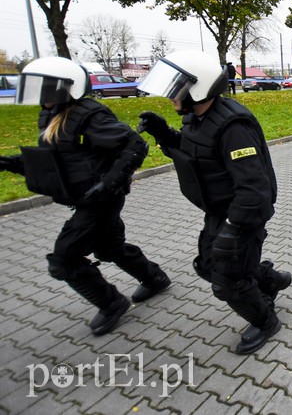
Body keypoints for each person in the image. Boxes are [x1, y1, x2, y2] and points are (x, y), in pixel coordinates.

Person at [0, 57, 170, 336]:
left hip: (100, 200)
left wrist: (109, 184)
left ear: (65, 89)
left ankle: (111, 303)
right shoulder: (51, 115)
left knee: (64, 258)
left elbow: (134, 145)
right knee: (109, 248)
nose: (40, 95)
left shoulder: (89, 115)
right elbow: (59, 159)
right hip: (83, 196)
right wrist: (15, 163)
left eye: (46, 88)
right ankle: (155, 278)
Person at [136, 51, 291, 355]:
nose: (171, 96)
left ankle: (266, 321)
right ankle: (269, 280)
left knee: (227, 283)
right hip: (221, 210)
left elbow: (253, 188)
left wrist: (234, 229)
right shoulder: (198, 117)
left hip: (243, 214)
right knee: (207, 265)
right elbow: (197, 155)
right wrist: (164, 134)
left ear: (198, 88)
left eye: (176, 87)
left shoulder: (234, 127)